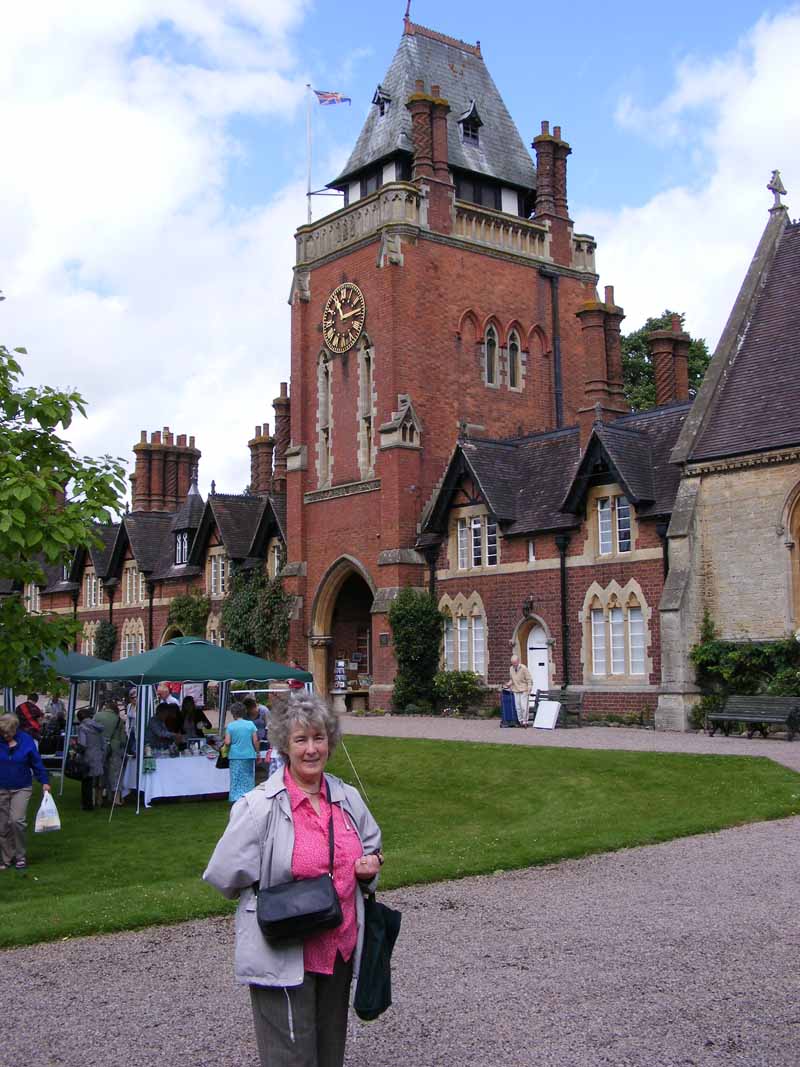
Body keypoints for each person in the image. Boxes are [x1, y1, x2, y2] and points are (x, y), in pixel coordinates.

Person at [204, 692, 383, 1067]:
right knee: (290, 1059)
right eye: (301, 740)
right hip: (284, 948)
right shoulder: (259, 807)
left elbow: (372, 846)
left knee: (329, 1054)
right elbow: (223, 874)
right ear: (285, 745)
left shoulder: (347, 798)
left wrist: (370, 867)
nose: (312, 749)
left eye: (319, 738)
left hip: (338, 949)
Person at [0, 713, 51, 870]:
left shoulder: (26, 741)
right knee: (2, 825)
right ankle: (5, 858)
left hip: (21, 787)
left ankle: (20, 855)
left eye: (8, 733)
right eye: (2, 733)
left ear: (16, 729)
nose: (5, 735)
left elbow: (36, 762)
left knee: (16, 821)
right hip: (1, 787)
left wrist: (44, 781)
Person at [223, 702, 259, 803]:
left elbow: (227, 742)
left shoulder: (230, 726)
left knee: (236, 778)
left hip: (235, 756)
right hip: (249, 754)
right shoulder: (250, 724)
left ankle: (235, 797)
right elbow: (255, 740)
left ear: (233, 713)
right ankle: (249, 796)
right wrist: (258, 752)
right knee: (248, 777)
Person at [95, 701, 126, 806]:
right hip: (114, 749)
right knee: (115, 773)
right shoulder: (119, 720)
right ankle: (116, 799)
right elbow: (122, 739)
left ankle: (98, 798)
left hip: (99, 747)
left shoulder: (97, 716)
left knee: (99, 773)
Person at [76, 708, 107, 811]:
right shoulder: (98, 727)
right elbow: (103, 743)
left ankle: (87, 804)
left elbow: (82, 745)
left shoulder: (82, 727)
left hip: (87, 757)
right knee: (97, 781)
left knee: (86, 782)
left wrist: (75, 747)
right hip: (98, 755)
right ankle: (98, 801)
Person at [506, 655, 533, 727]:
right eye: (512, 663)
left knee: (524, 707)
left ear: (518, 661)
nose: (513, 664)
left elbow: (529, 679)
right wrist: (508, 684)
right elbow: (512, 679)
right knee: (518, 707)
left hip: (524, 689)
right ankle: (520, 721)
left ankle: (525, 721)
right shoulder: (511, 668)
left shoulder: (524, 668)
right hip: (515, 690)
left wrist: (529, 687)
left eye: (515, 663)